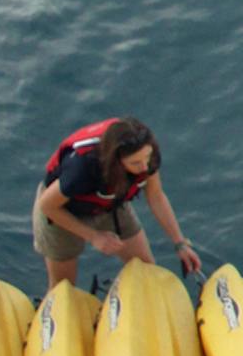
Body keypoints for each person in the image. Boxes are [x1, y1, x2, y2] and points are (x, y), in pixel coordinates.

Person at [32, 115, 201, 288]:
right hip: (62, 210)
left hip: (109, 202)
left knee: (145, 268)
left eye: (147, 157)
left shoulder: (147, 157)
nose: (144, 167)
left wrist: (180, 244)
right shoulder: (82, 169)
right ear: (116, 162)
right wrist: (94, 236)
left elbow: (156, 196)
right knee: (63, 286)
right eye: (135, 163)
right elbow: (46, 205)